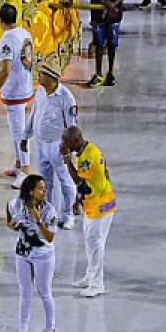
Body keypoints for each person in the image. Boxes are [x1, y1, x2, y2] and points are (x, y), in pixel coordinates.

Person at [61, 123, 115, 296]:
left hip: (100, 207)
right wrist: (78, 200)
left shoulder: (87, 157)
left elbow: (78, 180)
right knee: (90, 243)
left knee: (96, 245)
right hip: (93, 204)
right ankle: (90, 276)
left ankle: (97, 284)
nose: (64, 145)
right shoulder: (87, 150)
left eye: (67, 142)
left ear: (76, 140)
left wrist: (67, 160)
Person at [7, 172, 59, 332]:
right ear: (30, 191)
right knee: (25, 293)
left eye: (44, 188)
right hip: (22, 254)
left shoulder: (49, 210)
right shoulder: (17, 205)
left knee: (44, 292)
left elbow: (50, 237)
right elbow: (9, 215)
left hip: (43, 255)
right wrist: (12, 225)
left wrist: (38, 221)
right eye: (41, 188)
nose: (45, 191)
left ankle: (50, 329)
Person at [29, 63, 79, 225]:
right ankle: (49, 212)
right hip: (40, 142)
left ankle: (68, 214)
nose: (38, 76)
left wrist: (68, 147)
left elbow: (72, 125)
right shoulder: (40, 92)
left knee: (66, 180)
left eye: (42, 74)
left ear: (51, 78)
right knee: (45, 182)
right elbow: (33, 114)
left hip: (57, 145)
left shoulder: (66, 97)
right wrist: (25, 136)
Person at [0, 3, 36, 177]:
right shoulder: (25, 33)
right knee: (15, 128)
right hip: (25, 85)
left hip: (14, 90)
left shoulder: (6, 41)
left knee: (19, 131)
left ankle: (25, 169)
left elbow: (5, 69)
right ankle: (18, 163)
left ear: (0, 20)